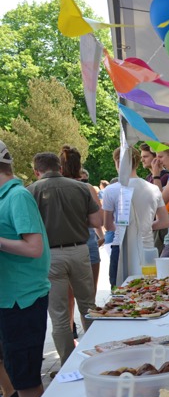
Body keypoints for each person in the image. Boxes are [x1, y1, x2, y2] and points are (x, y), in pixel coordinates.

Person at [28, 152, 101, 366]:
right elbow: (96, 220)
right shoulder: (81, 187)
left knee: (59, 314)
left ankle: (68, 364)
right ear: (60, 167)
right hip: (79, 250)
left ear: (36, 171)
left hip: (49, 255)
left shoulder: (31, 191)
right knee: (88, 306)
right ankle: (96, 355)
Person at [0, 140, 50, 397]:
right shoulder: (7, 196)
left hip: (22, 300)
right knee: (20, 372)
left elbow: (34, 247)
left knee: (26, 376)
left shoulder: (16, 196)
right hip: (12, 299)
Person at [102, 147, 169, 286]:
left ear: (117, 163)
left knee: (119, 292)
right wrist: (144, 226)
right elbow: (164, 222)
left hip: (120, 246)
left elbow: (107, 225)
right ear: (137, 163)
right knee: (148, 291)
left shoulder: (111, 189)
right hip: (147, 247)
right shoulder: (153, 189)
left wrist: (128, 228)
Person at [60, 146, 104, 335]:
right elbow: (98, 220)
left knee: (67, 299)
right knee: (88, 297)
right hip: (87, 242)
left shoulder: (55, 187)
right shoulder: (86, 188)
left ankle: (71, 334)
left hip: (62, 245)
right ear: (79, 165)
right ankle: (91, 337)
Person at [140, 143, 169, 256]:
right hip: (151, 223)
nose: (142, 160)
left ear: (156, 158)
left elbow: (161, 201)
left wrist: (156, 175)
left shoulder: (166, 177)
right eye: (142, 157)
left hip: (162, 227)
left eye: (145, 156)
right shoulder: (148, 178)